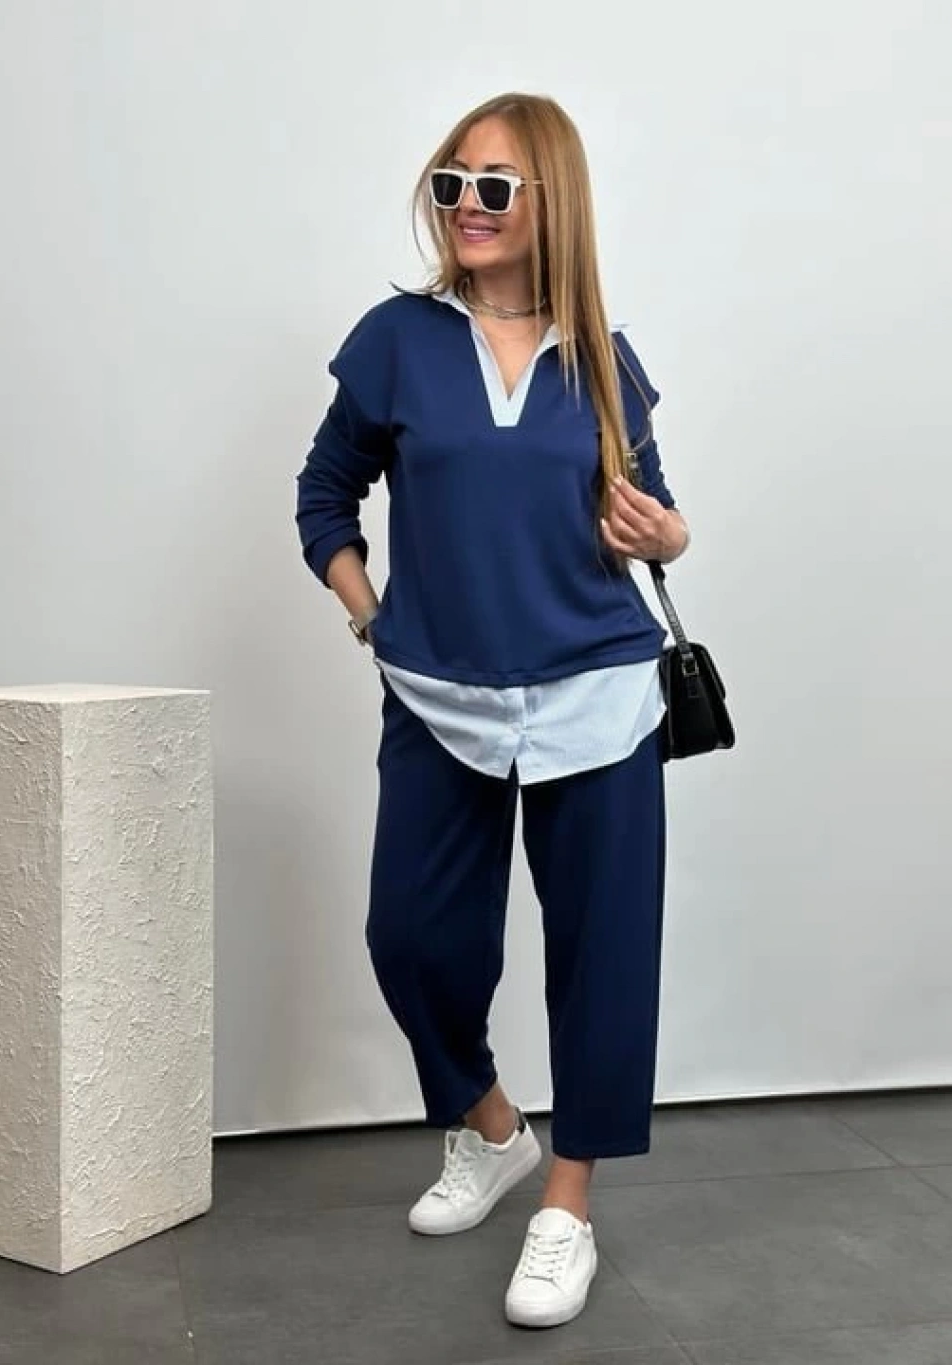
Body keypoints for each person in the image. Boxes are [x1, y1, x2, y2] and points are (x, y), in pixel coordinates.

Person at [295, 91, 690, 1329]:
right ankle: (492, 1127)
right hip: (438, 694)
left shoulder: (602, 356)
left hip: (597, 692)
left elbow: (656, 510)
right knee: (409, 937)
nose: (467, 204)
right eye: (451, 182)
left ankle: (567, 1203)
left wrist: (665, 535)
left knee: (602, 957)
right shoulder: (397, 341)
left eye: (496, 186)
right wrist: (372, 616)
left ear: (549, 202)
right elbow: (323, 496)